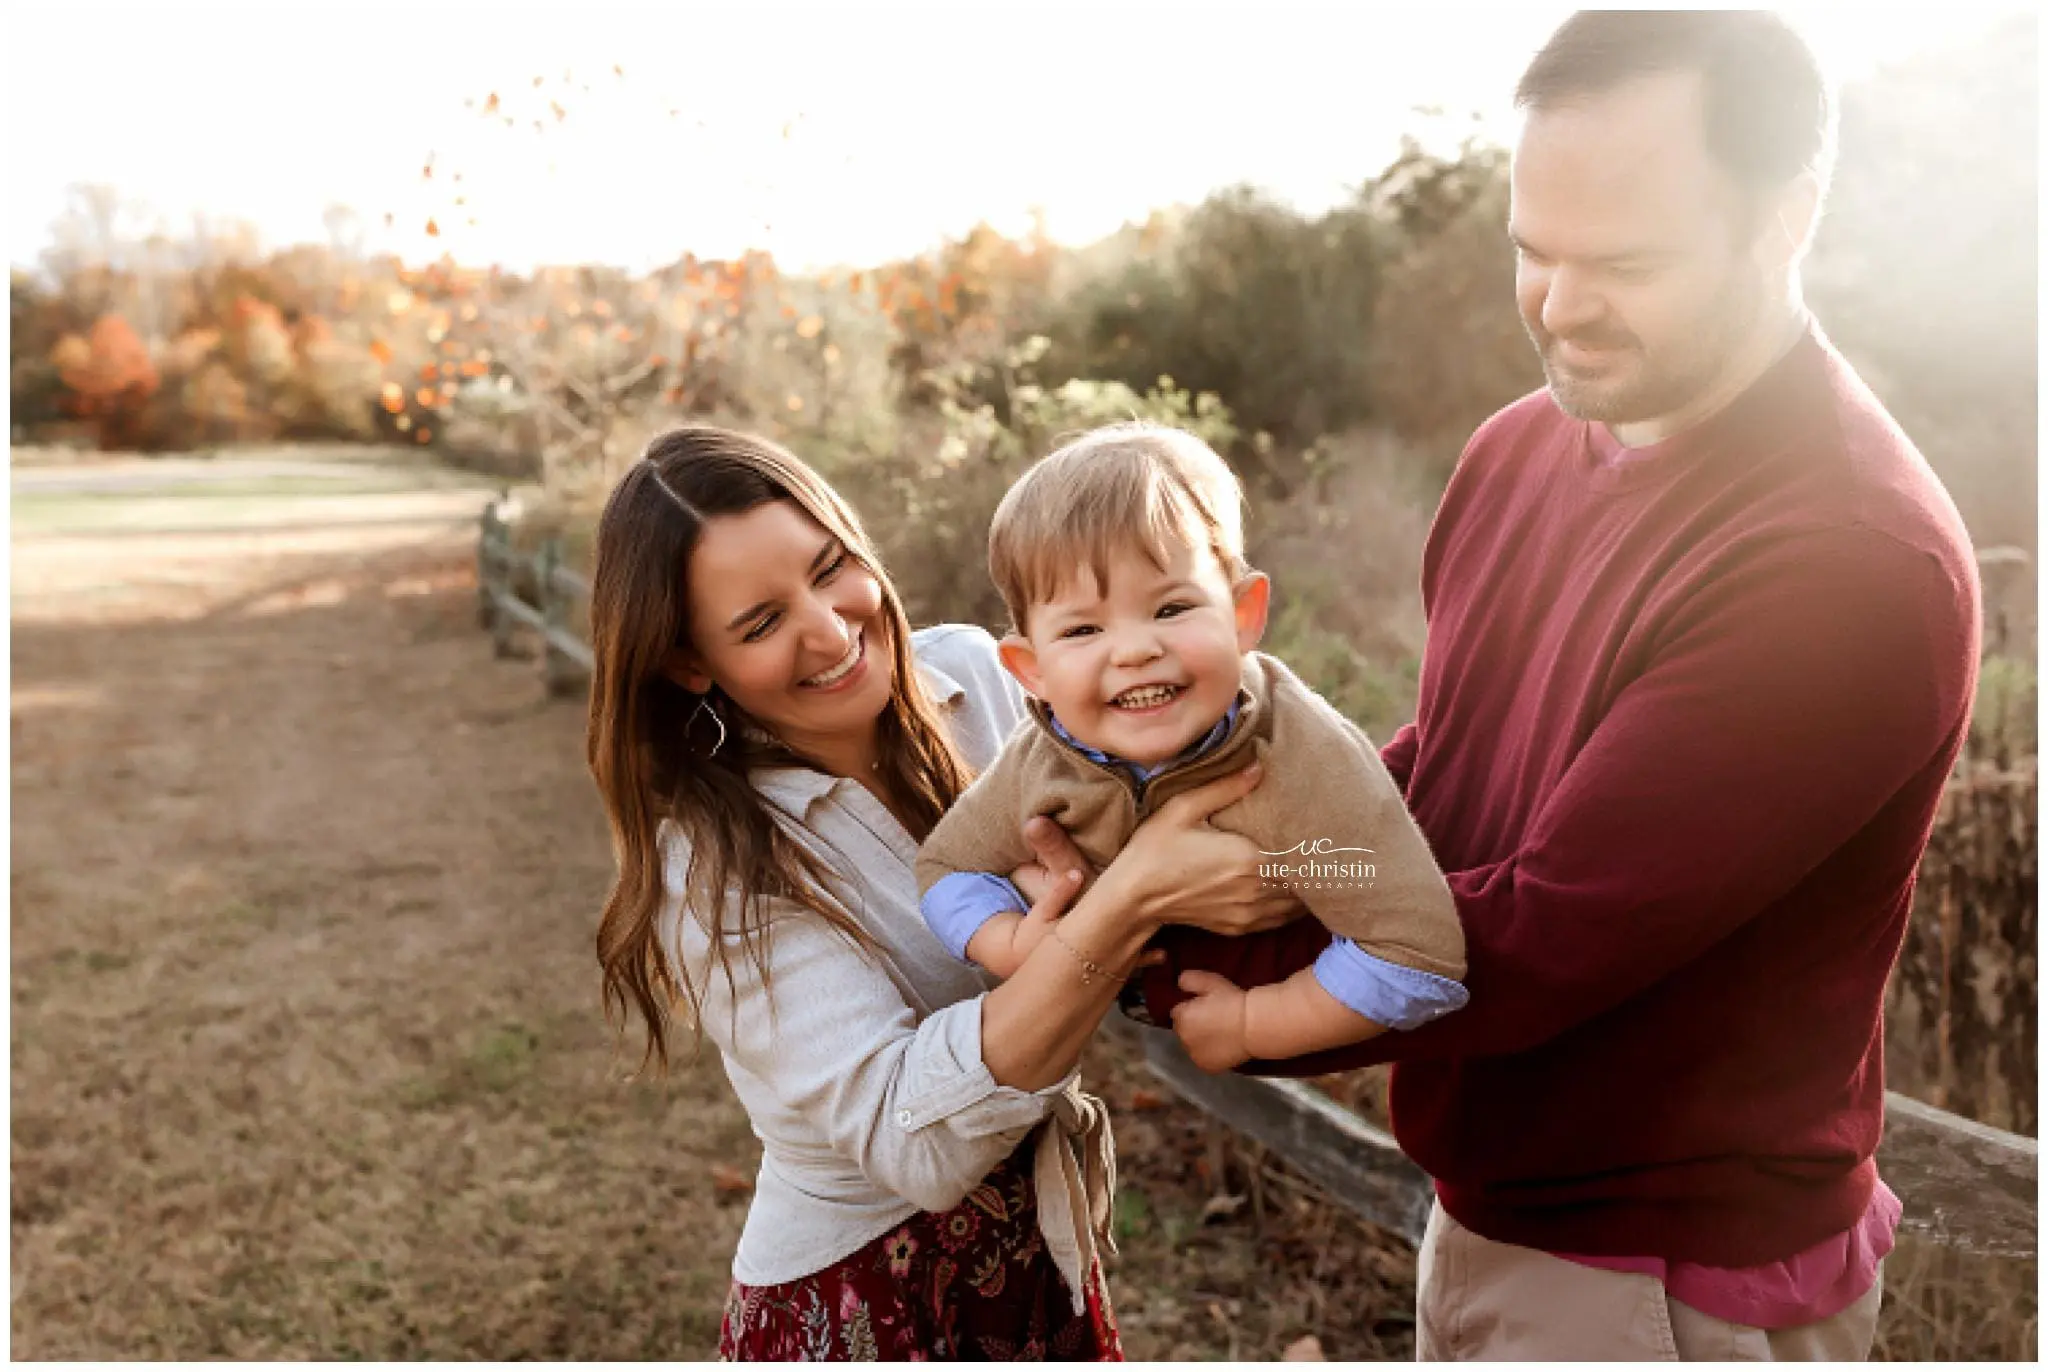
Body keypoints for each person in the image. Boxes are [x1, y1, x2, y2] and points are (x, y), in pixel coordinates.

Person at [1149, 10, 1981, 1362]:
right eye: (1533, 251)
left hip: (1668, 1284)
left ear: (1783, 221)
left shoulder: (1844, 563)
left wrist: (1165, 950)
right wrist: (1214, 846)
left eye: (1626, 264)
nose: (1558, 306)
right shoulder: (1517, 451)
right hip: (1497, 1219)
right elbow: (1439, 777)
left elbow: (1538, 936)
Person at [583, 424, 1297, 1360]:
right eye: (760, 625)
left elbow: (1166, 804)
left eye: (831, 569)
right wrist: (1124, 905)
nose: (831, 632)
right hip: (863, 1299)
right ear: (690, 664)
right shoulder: (713, 869)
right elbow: (917, 1144)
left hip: (1039, 1250)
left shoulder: (977, 677)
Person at [914, 421, 1467, 1068]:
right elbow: (946, 870)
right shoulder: (1042, 755)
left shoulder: (1302, 759)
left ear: (1242, 616)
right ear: (1032, 671)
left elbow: (1419, 952)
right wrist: (1012, 943)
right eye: (1083, 629)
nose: (1134, 650)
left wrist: (1261, 1023)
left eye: (1171, 609)